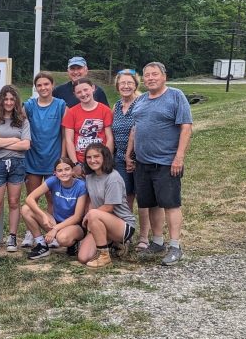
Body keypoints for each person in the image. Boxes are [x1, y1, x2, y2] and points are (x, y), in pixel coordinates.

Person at [127, 62, 193, 266]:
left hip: (167, 162)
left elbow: (186, 127)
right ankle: (157, 242)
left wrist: (179, 157)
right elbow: (136, 128)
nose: (150, 78)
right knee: (150, 203)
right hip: (143, 163)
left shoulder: (175, 96)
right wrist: (130, 153)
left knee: (170, 204)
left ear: (164, 76)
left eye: (155, 74)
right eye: (147, 75)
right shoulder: (141, 100)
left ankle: (175, 246)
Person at [23, 72, 67, 247]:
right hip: (33, 160)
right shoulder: (29, 105)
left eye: (46, 84)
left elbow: (65, 134)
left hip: (53, 161)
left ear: (52, 85)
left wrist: (62, 159)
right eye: (39, 85)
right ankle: (30, 232)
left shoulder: (61, 105)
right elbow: (19, 123)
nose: (43, 88)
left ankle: (52, 232)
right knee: (32, 198)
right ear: (35, 88)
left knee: (52, 199)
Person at [0, 86, 31, 253]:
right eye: (6, 99)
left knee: (14, 202)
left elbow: (26, 144)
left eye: (12, 99)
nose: (9, 102)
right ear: (1, 101)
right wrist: (14, 140)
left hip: (17, 164)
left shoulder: (23, 120)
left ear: (16, 101)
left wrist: (3, 141)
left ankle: (12, 237)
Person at [78, 143, 136, 268]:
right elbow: (93, 202)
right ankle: (112, 244)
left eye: (96, 156)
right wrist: (90, 224)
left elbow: (109, 207)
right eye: (89, 157)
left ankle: (105, 256)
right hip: (100, 221)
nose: (92, 160)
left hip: (123, 225)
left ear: (105, 157)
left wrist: (88, 216)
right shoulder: (89, 177)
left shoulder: (113, 177)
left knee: (93, 214)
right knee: (83, 257)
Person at [110, 70, 151, 251]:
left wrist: (130, 155)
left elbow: (137, 129)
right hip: (119, 158)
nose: (125, 86)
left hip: (139, 158)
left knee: (143, 197)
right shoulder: (117, 106)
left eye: (129, 83)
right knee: (124, 198)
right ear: (117, 86)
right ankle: (125, 234)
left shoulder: (142, 103)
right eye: (122, 83)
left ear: (136, 84)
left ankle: (144, 238)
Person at [22, 158, 88, 260]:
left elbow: (77, 216)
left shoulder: (81, 185)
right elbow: (29, 198)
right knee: (26, 209)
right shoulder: (53, 181)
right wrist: (43, 215)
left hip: (75, 225)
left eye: (67, 169)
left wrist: (55, 229)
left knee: (62, 239)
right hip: (56, 222)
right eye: (60, 171)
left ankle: (74, 242)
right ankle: (42, 245)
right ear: (55, 173)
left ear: (73, 170)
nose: (64, 173)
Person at [63, 77, 114, 177]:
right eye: (79, 92)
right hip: (81, 160)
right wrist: (75, 163)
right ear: (75, 94)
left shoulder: (105, 110)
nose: (83, 94)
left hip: (100, 159)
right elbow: (69, 140)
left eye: (86, 89)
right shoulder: (71, 112)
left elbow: (110, 138)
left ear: (93, 88)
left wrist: (106, 159)